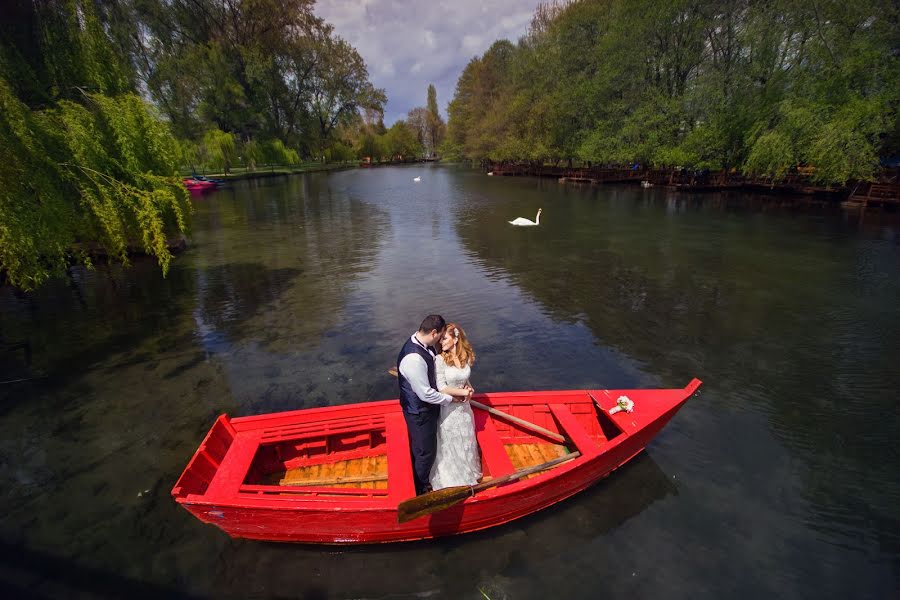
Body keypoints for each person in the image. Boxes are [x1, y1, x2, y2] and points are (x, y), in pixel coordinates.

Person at [397, 315, 469, 495]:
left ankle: (421, 479)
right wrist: (450, 399)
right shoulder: (414, 358)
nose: (441, 339)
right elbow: (425, 393)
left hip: (427, 408)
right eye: (441, 335)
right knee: (425, 452)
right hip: (419, 412)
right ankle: (420, 489)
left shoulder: (423, 344)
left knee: (424, 447)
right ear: (434, 332)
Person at [430, 323, 482, 490]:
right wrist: (462, 394)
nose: (441, 342)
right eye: (440, 339)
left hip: (465, 409)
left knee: (465, 439)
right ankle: (453, 480)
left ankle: (468, 473)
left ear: (456, 338)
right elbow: (441, 387)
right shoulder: (439, 360)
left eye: (444, 338)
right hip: (450, 409)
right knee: (451, 442)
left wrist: (469, 387)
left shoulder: (464, 355)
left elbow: (464, 378)